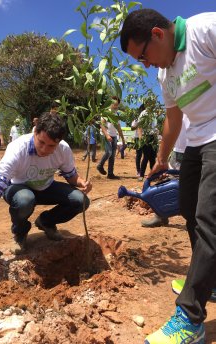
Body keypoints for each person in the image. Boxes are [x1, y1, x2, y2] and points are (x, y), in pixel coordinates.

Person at [121, 8, 216, 344]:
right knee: (188, 209)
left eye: (143, 55)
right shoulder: (165, 75)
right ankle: (210, 279)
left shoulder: (206, 29)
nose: (144, 64)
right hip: (197, 141)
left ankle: (190, 318)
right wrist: (161, 158)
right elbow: (173, 121)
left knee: (209, 220)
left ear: (158, 35)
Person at [0, 112, 92, 260]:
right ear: (35, 132)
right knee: (25, 200)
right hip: (17, 188)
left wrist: (81, 182)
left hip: (46, 187)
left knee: (81, 200)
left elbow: (70, 176)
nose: (44, 149)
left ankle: (46, 222)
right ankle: (20, 232)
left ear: (58, 142)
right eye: (41, 142)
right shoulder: (17, 149)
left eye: (51, 146)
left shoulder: (63, 149)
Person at [141, 114, 190, 228]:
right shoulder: (179, 100)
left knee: (196, 187)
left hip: (199, 148)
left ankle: (193, 220)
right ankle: (161, 216)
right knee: (167, 183)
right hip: (178, 150)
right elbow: (171, 120)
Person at [96, 96, 125, 179]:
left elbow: (118, 127)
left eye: (117, 105)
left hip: (114, 136)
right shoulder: (105, 112)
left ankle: (110, 174)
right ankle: (100, 166)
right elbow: (102, 124)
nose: (115, 106)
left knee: (112, 156)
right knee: (109, 152)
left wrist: (123, 139)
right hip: (106, 135)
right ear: (110, 104)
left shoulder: (117, 114)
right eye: (114, 104)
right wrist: (107, 135)